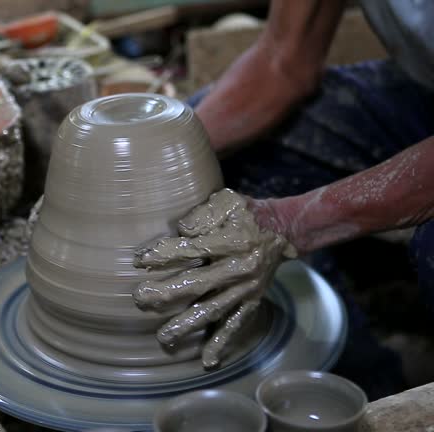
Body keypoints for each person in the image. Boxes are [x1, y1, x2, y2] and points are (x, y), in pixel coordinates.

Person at [133, 0, 434, 399]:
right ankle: (353, 385)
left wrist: (290, 223)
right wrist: (171, 160)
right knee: (226, 156)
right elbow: (284, 58)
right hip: (422, 89)